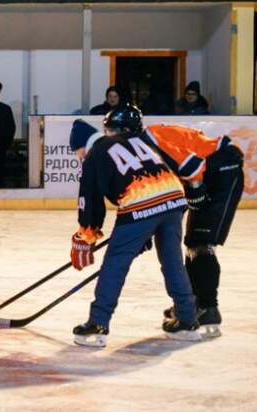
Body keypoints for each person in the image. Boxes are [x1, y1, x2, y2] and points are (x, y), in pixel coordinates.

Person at [68, 104, 199, 348]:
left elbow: (90, 201)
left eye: (77, 152)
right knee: (172, 261)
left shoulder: (96, 153)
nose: (79, 156)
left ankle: (98, 324)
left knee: (115, 262)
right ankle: (187, 319)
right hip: (174, 199)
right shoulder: (143, 141)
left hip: (141, 203)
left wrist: (86, 235)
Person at [142, 124, 244, 337]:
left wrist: (196, 189)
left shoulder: (150, 142)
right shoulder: (142, 144)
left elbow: (191, 166)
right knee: (192, 242)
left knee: (201, 242)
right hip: (208, 171)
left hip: (222, 167)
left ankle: (208, 307)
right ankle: (194, 303)